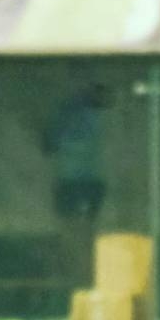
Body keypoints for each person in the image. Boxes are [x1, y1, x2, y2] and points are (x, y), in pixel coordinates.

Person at [43, 80, 112, 290]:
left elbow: (50, 144)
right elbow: (51, 144)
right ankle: (80, 275)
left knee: (74, 231)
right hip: (79, 181)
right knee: (79, 230)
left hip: (77, 180)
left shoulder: (72, 116)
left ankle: (79, 275)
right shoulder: (80, 117)